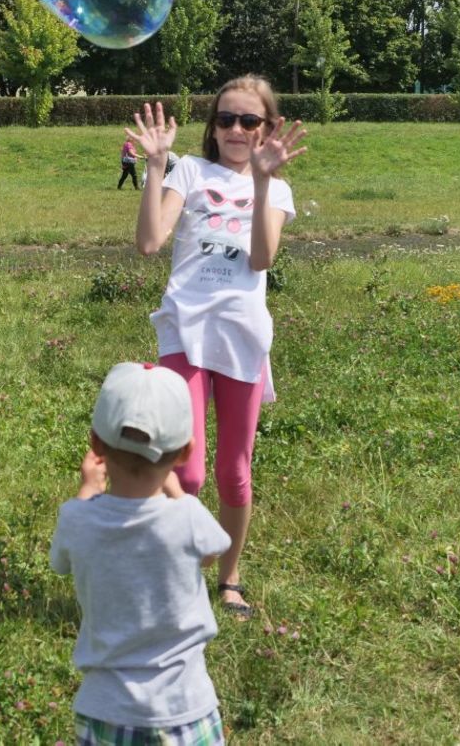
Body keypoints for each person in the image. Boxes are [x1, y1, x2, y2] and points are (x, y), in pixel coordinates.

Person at [131, 75, 307, 619]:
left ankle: (229, 578)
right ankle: (174, 563)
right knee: (186, 472)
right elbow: (149, 242)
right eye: (225, 119)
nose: (235, 129)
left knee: (235, 470)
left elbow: (261, 259)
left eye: (249, 120)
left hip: (241, 335)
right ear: (212, 127)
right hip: (184, 328)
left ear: (268, 129)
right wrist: (156, 165)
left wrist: (258, 181)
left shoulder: (275, 188)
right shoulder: (190, 169)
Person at [51, 362, 231, 746]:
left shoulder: (77, 519)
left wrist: (86, 491)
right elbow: (212, 554)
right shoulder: (188, 517)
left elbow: (59, 562)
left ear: (96, 445)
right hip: (186, 708)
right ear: (185, 452)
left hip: (107, 712)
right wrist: (176, 492)